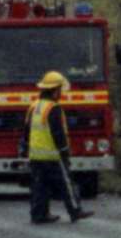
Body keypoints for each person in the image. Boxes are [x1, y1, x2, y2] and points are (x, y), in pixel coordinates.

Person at [21, 72, 88, 224]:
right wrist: (65, 151)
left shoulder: (33, 107)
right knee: (66, 184)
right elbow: (58, 132)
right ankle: (75, 210)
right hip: (53, 155)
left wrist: (24, 148)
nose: (61, 94)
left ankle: (39, 214)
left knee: (39, 187)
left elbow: (26, 130)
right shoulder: (54, 108)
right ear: (55, 90)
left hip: (36, 156)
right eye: (60, 90)